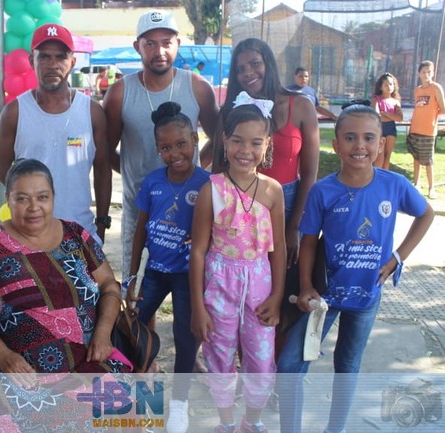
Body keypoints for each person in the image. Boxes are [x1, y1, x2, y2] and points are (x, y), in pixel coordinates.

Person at [277, 105, 434, 433]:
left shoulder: (394, 185)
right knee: (290, 365)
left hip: (366, 298)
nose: (359, 145)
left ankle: (336, 429)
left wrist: (397, 257)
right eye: (350, 137)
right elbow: (309, 243)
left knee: (348, 366)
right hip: (324, 296)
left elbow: (426, 214)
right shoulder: (323, 191)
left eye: (368, 138)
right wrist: (305, 286)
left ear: (381, 144)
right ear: (336, 145)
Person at [0, 158, 131, 431]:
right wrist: (3, 356)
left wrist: (103, 333)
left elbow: (109, 285)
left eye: (42, 197)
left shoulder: (76, 235)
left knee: (132, 414)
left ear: (53, 197)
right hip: (20, 374)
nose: (34, 207)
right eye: (22, 199)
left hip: (89, 361)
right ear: (8, 199)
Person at [211, 39, 320, 356]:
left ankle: (274, 367)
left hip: (288, 203)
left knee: (283, 293)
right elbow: (218, 169)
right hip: (241, 207)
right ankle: (247, 361)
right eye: (240, 68)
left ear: (269, 63)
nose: (248, 72)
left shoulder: (300, 105)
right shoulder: (230, 110)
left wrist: (294, 226)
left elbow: (309, 174)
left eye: (255, 64)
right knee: (246, 289)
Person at [190, 94, 286, 433]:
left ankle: (253, 421)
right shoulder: (211, 190)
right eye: (237, 141)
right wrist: (198, 308)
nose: (246, 150)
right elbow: (198, 251)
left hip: (260, 285)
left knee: (260, 357)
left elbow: (279, 248)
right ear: (224, 141)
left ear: (267, 144)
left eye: (256, 142)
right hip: (220, 283)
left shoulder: (273, 191)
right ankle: (227, 423)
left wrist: (277, 296)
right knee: (219, 354)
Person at [104, 9, 218, 281]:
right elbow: (106, 150)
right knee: (137, 286)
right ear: (137, 46)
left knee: (190, 286)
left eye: (167, 42)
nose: (160, 51)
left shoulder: (198, 88)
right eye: (150, 43)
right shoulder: (120, 92)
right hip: (139, 209)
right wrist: (133, 174)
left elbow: (219, 139)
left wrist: (192, 167)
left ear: (178, 43)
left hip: (189, 209)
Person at [125, 102, 210, 433]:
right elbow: (140, 232)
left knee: (185, 336)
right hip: (155, 273)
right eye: (165, 147)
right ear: (157, 148)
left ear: (195, 140)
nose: (174, 153)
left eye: (181, 144)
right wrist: (132, 278)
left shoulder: (207, 184)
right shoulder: (153, 182)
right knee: (133, 329)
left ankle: (179, 404)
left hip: (188, 276)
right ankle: (141, 396)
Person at [0, 23, 112, 244]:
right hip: (29, 234)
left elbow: (103, 170)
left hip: (80, 231)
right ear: (32, 61)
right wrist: (26, 200)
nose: (52, 64)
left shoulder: (92, 111)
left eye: (60, 57)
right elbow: (1, 167)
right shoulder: (14, 112)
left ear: (73, 62)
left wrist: (102, 223)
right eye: (45, 57)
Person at [407, 60, 445, 199]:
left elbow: (443, 108)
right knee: (416, 158)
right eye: (424, 72)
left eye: (429, 72)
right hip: (415, 128)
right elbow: (418, 108)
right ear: (419, 73)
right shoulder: (417, 90)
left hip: (428, 130)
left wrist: (432, 115)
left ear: (433, 73)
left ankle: (431, 188)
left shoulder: (436, 88)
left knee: (428, 160)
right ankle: (416, 184)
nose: (426, 74)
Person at [371, 72, 403, 170]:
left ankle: (385, 176)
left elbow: (400, 118)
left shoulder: (395, 101)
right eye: (386, 84)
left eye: (391, 84)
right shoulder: (376, 99)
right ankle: (377, 176)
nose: (389, 86)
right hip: (379, 129)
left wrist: (386, 114)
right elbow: (376, 116)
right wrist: (392, 116)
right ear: (381, 87)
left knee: (387, 157)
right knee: (379, 156)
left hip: (391, 129)